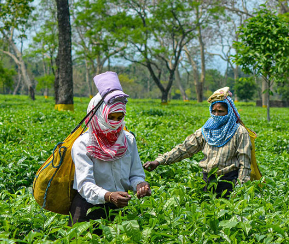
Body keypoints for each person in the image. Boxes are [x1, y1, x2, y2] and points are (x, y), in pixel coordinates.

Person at [69, 71, 151, 226]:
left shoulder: (128, 140)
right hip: (87, 210)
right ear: (99, 115)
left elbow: (135, 174)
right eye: (110, 117)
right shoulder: (83, 144)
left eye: (119, 118)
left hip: (118, 209)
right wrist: (108, 195)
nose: (115, 122)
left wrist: (140, 185)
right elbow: (85, 184)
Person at [143, 87, 252, 198]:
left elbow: (245, 164)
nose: (216, 115)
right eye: (214, 111)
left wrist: (239, 190)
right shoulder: (206, 130)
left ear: (229, 112)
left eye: (221, 111)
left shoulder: (239, 132)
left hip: (229, 183)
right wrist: (158, 161)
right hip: (207, 181)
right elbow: (184, 148)